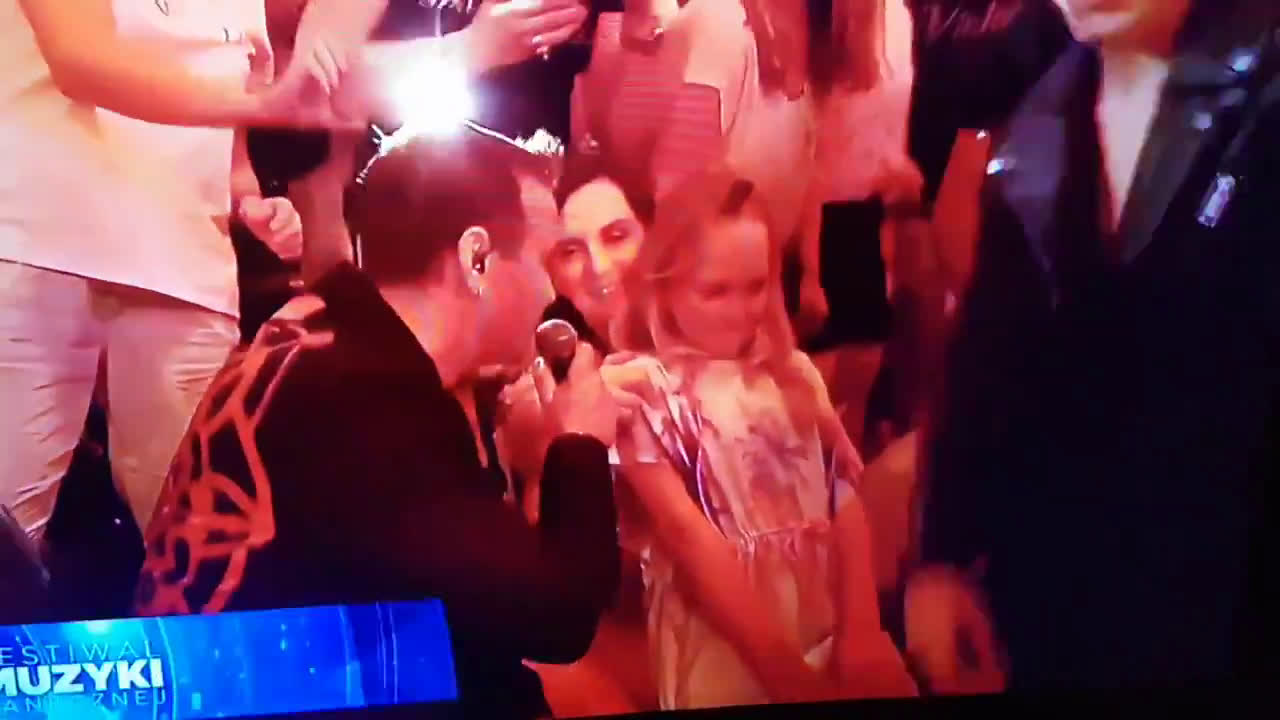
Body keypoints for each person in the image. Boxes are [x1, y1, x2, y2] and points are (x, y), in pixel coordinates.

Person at [134, 126, 623, 720]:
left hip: (259, 674)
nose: (552, 291)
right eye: (542, 260)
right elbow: (557, 617)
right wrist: (580, 443)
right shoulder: (363, 400)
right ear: (476, 258)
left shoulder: (319, 324)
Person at [907, 0, 1277, 692]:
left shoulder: (1261, 102)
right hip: (1052, 606)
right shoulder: (1044, 111)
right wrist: (943, 552)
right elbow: (991, 353)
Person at [0, 0, 335, 539]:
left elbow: (229, 154)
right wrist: (269, 102)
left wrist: (254, 206)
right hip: (39, 242)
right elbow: (80, 61)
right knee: (10, 524)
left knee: (201, 531)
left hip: (186, 274)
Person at [605, 168, 917, 709]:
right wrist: (780, 668)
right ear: (664, 285)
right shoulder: (646, 391)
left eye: (755, 286)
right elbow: (685, 533)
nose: (740, 310)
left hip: (822, 619)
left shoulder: (794, 373)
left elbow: (842, 496)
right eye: (715, 291)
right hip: (722, 638)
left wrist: (863, 628)